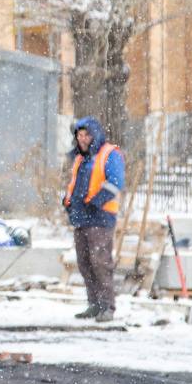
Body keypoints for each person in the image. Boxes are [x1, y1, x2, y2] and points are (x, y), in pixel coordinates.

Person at [63, 116, 125, 322]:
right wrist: (68, 201)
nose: (82, 139)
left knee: (100, 262)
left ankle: (107, 305)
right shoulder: (80, 158)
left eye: (86, 135)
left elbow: (115, 182)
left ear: (94, 135)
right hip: (81, 218)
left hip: (100, 217)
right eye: (79, 135)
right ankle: (94, 303)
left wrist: (96, 202)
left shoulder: (109, 154)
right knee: (85, 262)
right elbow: (74, 184)